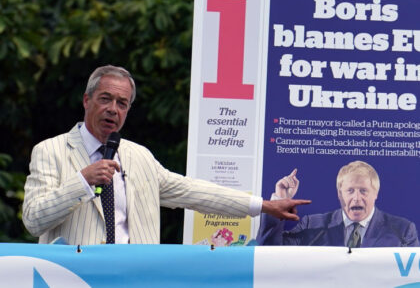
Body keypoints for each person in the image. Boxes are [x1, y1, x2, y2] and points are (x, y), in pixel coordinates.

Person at [22, 65, 311, 245]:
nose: (113, 109)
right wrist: (82, 181)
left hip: (133, 278)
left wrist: (263, 205)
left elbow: (195, 192)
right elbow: (33, 219)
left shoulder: (139, 157)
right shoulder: (51, 151)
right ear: (87, 100)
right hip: (75, 278)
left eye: (122, 103)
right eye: (105, 99)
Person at [257, 160, 419, 247]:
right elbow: (267, 252)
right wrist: (280, 201)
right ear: (339, 194)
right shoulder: (312, 226)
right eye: (350, 191)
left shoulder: (403, 231)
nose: (356, 198)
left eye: (363, 191)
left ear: (375, 193)